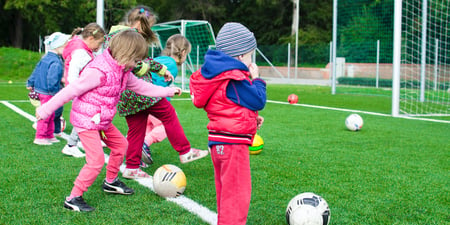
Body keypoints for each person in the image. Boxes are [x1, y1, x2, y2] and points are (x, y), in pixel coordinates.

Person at [35, 30, 182, 212]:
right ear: (125, 54)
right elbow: (70, 91)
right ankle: (73, 198)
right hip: (87, 121)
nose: (138, 65)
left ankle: (110, 182)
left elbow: (141, 87)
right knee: (96, 161)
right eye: (136, 60)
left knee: (121, 146)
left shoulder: (123, 70)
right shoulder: (98, 71)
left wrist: (167, 91)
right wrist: (45, 109)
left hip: (102, 120)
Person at [108, 6, 208, 179]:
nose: (148, 31)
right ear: (139, 23)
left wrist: (161, 70)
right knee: (169, 114)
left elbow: (143, 60)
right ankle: (185, 151)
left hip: (126, 95)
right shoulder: (128, 38)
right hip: (141, 91)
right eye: (148, 25)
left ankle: (132, 167)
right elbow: (135, 64)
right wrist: (162, 85)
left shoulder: (117, 36)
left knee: (136, 130)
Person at [189, 22, 267, 225]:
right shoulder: (233, 78)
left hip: (219, 142)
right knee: (237, 196)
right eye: (250, 54)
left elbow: (227, 105)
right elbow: (258, 99)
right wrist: (257, 78)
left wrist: (250, 118)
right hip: (233, 145)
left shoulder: (215, 75)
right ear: (240, 56)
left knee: (226, 193)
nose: (250, 59)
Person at [139, 34, 192, 168]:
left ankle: (137, 154)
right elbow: (157, 83)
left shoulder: (160, 59)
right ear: (183, 52)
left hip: (141, 98)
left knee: (148, 126)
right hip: (153, 100)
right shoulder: (172, 65)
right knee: (165, 125)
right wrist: (166, 94)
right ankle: (144, 144)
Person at [60, 22, 106, 158]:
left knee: (90, 115)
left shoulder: (83, 49)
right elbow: (73, 73)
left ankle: (80, 141)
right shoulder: (81, 52)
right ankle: (71, 145)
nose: (98, 48)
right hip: (79, 90)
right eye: (99, 43)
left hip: (81, 89)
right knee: (85, 117)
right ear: (91, 39)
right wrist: (77, 90)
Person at [27, 32, 71, 145]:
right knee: (47, 114)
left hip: (43, 90)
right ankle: (41, 136)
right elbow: (52, 79)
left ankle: (49, 135)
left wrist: (30, 82)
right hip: (49, 92)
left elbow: (36, 70)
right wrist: (56, 92)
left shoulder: (46, 58)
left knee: (51, 114)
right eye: (65, 45)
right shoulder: (56, 61)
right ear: (59, 46)